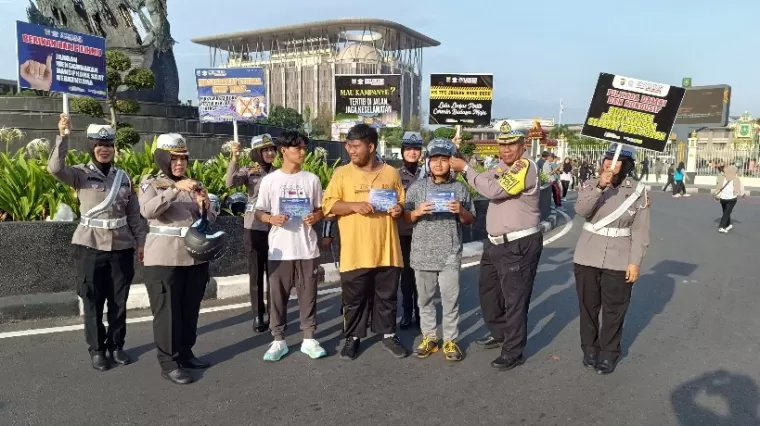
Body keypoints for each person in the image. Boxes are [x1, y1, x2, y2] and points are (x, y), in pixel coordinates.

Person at [47, 114, 146, 371]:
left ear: (114, 148)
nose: (104, 149)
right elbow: (55, 168)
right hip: (90, 247)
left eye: (109, 145)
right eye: (99, 145)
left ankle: (117, 345)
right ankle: (98, 349)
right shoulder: (79, 174)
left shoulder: (123, 177)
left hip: (121, 247)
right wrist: (63, 136)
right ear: (91, 148)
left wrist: (141, 243)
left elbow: (133, 215)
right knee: (92, 300)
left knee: (119, 301)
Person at [449, 129, 543, 371]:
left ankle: (513, 351)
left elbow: (494, 190)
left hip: (518, 243)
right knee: (489, 293)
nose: (506, 149)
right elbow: (485, 180)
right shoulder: (503, 166)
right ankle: (501, 332)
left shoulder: (524, 166)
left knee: (514, 300)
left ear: (524, 145)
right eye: (502, 145)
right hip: (495, 243)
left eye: (512, 144)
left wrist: (465, 169)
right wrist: (459, 157)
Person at [322, 123, 408, 360]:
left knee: (387, 296)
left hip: (387, 250)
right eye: (349, 146)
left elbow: (402, 202)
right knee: (354, 298)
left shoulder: (391, 173)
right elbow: (329, 205)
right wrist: (353, 206)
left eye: (356, 146)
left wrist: (398, 210)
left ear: (371, 146)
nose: (351, 151)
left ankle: (388, 335)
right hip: (354, 251)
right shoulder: (342, 174)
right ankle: (353, 338)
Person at [139, 133, 216, 385]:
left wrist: (205, 205)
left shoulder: (194, 184)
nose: (180, 164)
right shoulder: (151, 184)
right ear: (163, 159)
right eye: (173, 159)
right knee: (167, 313)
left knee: (189, 310)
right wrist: (174, 189)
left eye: (183, 158)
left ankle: (185, 353)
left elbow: (210, 219)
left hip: (193, 257)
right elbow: (148, 211)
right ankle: (169, 363)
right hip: (163, 259)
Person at [573, 143, 650, 375]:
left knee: (614, 309)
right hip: (587, 255)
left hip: (619, 258)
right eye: (607, 159)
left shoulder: (639, 191)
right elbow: (581, 210)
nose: (609, 163)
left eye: (616, 160)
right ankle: (589, 349)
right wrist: (599, 186)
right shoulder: (589, 184)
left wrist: (635, 262)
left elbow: (640, 231)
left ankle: (609, 353)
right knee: (588, 306)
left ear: (627, 165)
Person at [253, 131, 328, 361]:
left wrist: (316, 217)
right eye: (298, 149)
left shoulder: (312, 179)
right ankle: (278, 340)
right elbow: (258, 211)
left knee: (309, 295)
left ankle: (309, 338)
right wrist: (271, 219)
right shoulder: (270, 180)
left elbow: (321, 209)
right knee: (277, 297)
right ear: (284, 151)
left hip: (307, 248)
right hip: (280, 249)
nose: (303, 153)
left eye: (304, 148)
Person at [404, 138, 474, 361]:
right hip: (422, 253)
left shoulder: (459, 189)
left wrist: (460, 211)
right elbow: (404, 217)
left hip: (450, 254)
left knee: (450, 301)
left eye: (444, 160)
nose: (439, 164)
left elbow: (471, 220)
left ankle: (451, 340)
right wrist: (416, 212)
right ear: (428, 162)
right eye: (434, 160)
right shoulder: (417, 188)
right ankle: (430, 338)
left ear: (451, 162)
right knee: (424, 301)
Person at [225, 133, 277, 333]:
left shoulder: (279, 173)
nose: (270, 153)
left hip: (274, 227)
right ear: (257, 153)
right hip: (254, 227)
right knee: (255, 274)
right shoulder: (250, 171)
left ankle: (275, 314)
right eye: (265, 150)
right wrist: (235, 158)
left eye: (271, 149)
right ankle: (257, 315)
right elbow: (230, 183)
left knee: (273, 273)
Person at [397, 134, 424, 329]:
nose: (412, 152)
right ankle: (407, 312)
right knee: (406, 276)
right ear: (402, 153)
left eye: (415, 149)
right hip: (402, 232)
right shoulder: (395, 175)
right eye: (408, 149)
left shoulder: (428, 174)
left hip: (424, 231)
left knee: (423, 275)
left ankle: (421, 312)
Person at [715, 165, 745, 233]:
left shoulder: (722, 178)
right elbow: (741, 188)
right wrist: (743, 194)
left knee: (726, 211)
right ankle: (721, 226)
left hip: (722, 198)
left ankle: (727, 224)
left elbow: (717, 185)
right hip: (731, 199)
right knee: (727, 212)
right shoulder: (736, 179)